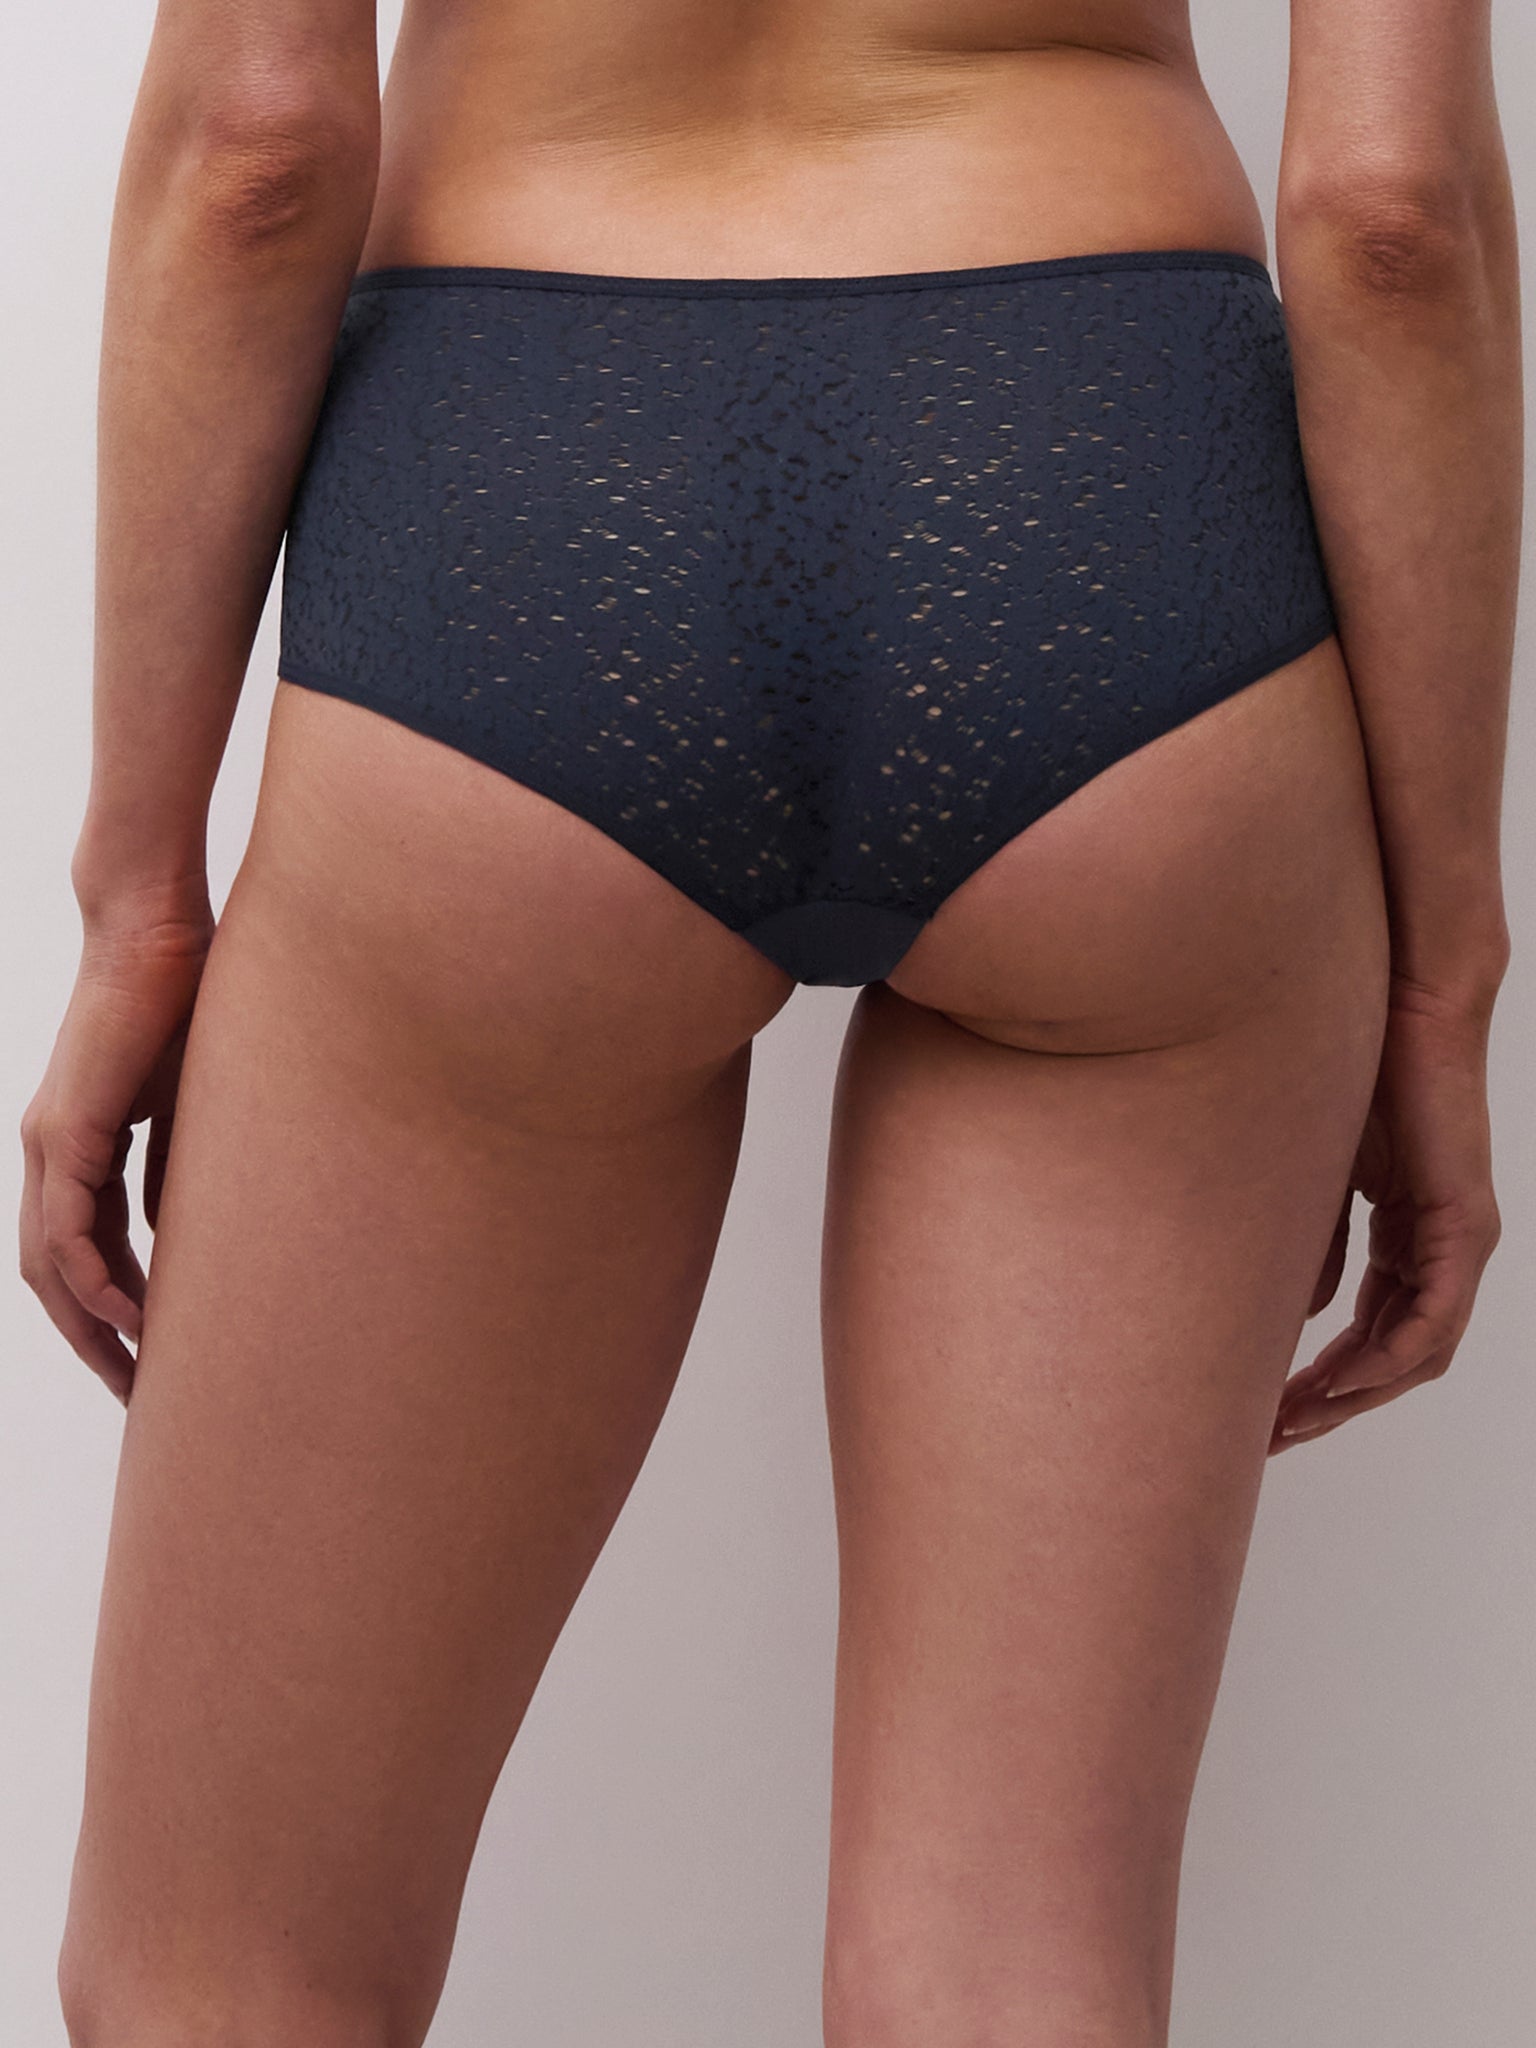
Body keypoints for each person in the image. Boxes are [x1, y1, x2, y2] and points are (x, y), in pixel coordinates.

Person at [18, 0, 1518, 2041]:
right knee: (1003, 1982)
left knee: (218, 1978)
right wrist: (1440, 973)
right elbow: (1394, 216)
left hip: (523, 502)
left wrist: (137, 890)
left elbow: (255, 153)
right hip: (1112, 510)